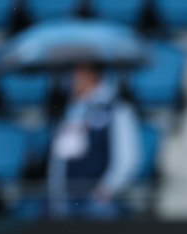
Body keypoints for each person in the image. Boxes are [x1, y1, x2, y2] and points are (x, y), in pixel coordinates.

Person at [47, 63, 142, 219]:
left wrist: (107, 188)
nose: (71, 82)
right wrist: (56, 190)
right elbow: (60, 157)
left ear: (92, 76)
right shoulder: (71, 110)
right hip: (69, 199)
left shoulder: (116, 108)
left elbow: (128, 157)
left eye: (77, 76)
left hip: (99, 201)